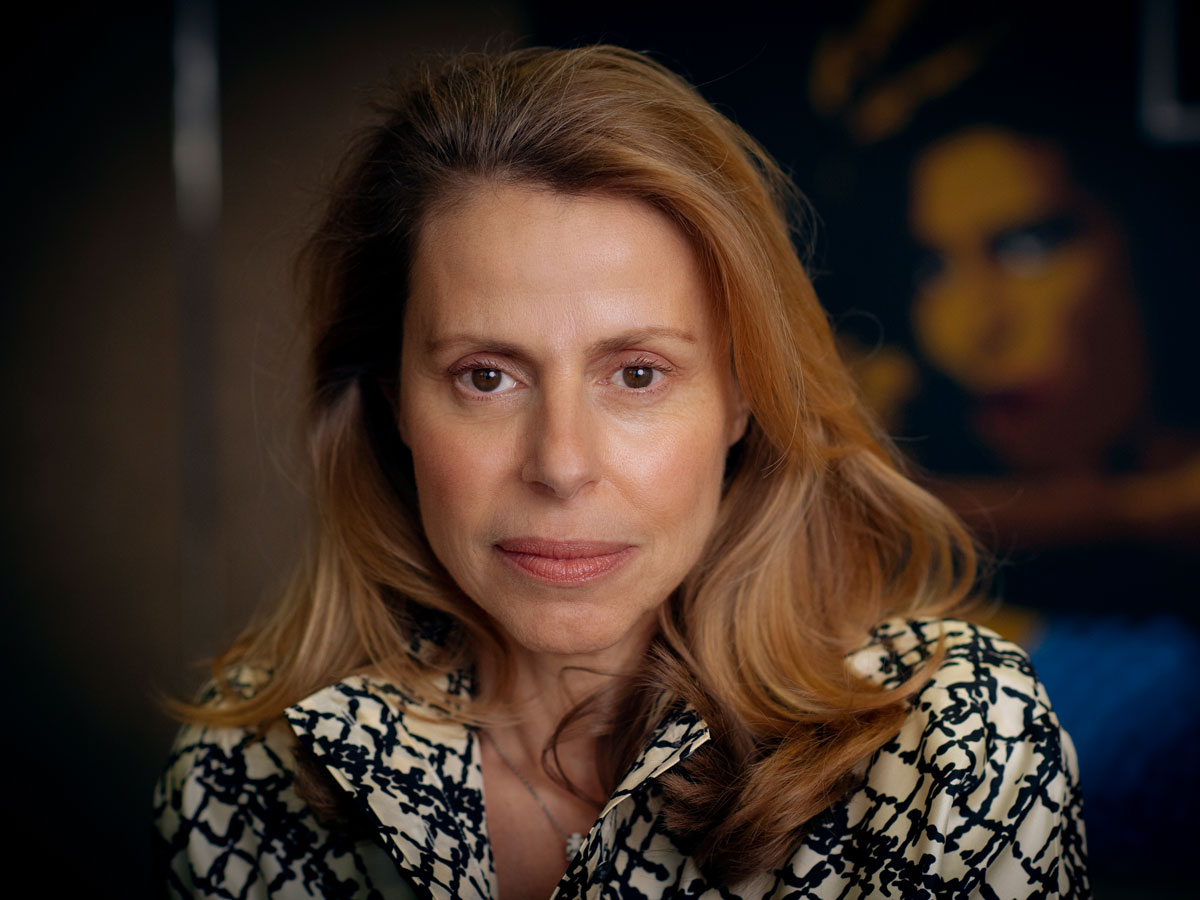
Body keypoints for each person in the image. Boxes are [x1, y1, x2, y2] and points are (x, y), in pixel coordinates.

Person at [154, 45, 1088, 899]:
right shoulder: (245, 777)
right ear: (395, 401)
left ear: (741, 395)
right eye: (487, 376)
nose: (561, 464)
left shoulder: (954, 749)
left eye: (637, 374)